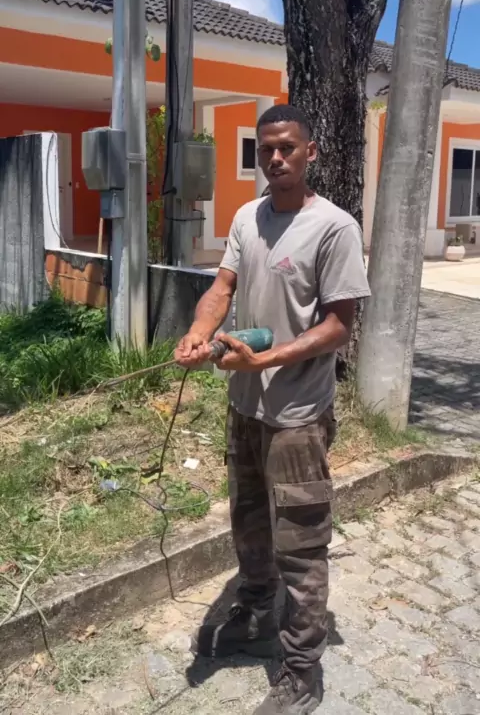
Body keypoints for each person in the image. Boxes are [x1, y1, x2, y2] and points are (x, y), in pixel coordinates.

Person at [174, 104, 370, 715]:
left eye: (287, 147)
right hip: (245, 407)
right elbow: (222, 288)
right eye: (266, 149)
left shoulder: (334, 228)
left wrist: (265, 359)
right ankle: (257, 613)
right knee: (249, 523)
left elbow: (339, 326)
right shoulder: (246, 217)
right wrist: (199, 332)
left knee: (301, 546)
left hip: (298, 416)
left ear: (311, 152)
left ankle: (303, 671)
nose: (276, 157)